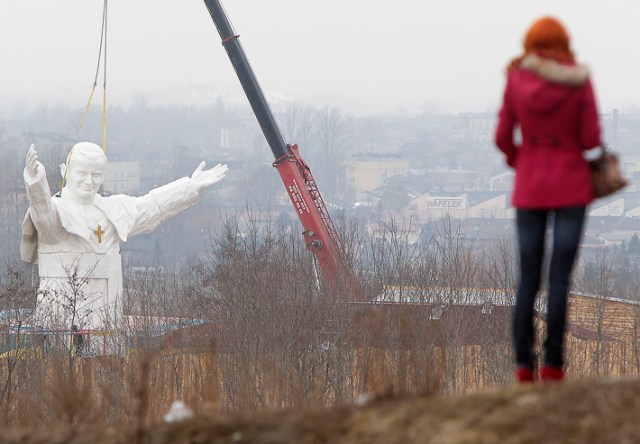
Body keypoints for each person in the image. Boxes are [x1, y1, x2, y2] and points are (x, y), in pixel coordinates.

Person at [21, 141, 228, 335]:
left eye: (96, 174)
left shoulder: (113, 209)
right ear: (65, 171)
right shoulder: (55, 212)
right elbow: (42, 210)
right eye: (82, 173)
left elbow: (152, 206)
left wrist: (190, 186)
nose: (89, 181)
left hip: (105, 322)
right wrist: (36, 181)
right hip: (59, 318)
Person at [494, 16, 602, 383]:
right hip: (571, 184)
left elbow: (502, 136)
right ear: (564, 43)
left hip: (530, 186)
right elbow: (590, 138)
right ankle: (554, 364)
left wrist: (521, 160)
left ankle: (524, 365)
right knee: (559, 279)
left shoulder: (516, 79)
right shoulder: (579, 81)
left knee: (528, 278)